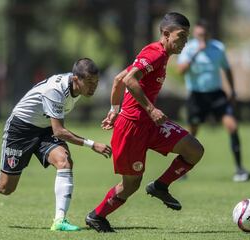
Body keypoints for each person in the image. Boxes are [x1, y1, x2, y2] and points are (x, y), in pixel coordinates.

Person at [85, 12, 204, 233]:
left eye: (187, 37)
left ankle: (160, 186)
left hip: (150, 125)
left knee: (194, 149)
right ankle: (96, 216)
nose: (185, 41)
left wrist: (113, 110)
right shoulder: (156, 53)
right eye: (182, 36)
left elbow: (120, 78)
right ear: (166, 34)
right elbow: (129, 80)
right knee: (130, 185)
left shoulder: (159, 54)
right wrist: (149, 108)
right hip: (131, 128)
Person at [0, 58, 112, 231]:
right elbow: (59, 131)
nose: (93, 86)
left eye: (96, 82)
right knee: (5, 188)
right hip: (20, 129)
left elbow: (54, 128)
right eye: (89, 82)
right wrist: (92, 144)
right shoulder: (56, 90)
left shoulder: (78, 87)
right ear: (75, 79)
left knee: (64, 162)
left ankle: (59, 221)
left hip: (45, 129)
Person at [177, 20, 250, 182]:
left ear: (209, 34)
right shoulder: (188, 49)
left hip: (217, 95)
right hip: (197, 96)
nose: (201, 37)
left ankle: (239, 170)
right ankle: (180, 171)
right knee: (191, 135)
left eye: (204, 34)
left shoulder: (218, 48)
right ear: (195, 35)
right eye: (198, 35)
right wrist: (196, 52)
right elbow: (181, 70)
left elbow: (227, 69)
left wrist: (232, 91)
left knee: (232, 126)